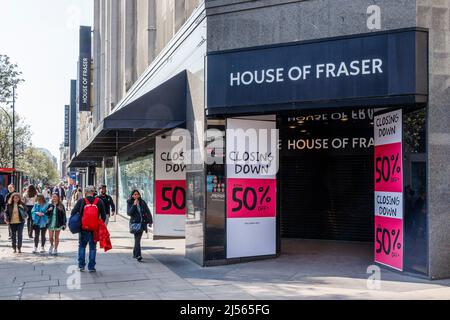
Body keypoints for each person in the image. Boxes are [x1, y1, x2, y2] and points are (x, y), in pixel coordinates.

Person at [71, 186, 106, 272]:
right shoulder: (99, 201)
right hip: (94, 229)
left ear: (86, 192)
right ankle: (91, 267)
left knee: (82, 246)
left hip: (83, 228)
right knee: (93, 247)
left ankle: (81, 265)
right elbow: (104, 216)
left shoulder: (82, 201)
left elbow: (73, 212)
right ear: (93, 192)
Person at [127, 190, 153, 262]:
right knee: (137, 239)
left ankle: (136, 254)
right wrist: (134, 205)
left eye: (137, 194)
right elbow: (129, 213)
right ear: (132, 195)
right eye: (134, 194)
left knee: (137, 239)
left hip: (142, 223)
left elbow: (147, 211)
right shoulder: (129, 202)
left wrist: (150, 221)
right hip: (135, 223)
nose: (136, 196)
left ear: (139, 195)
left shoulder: (142, 202)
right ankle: (138, 255)